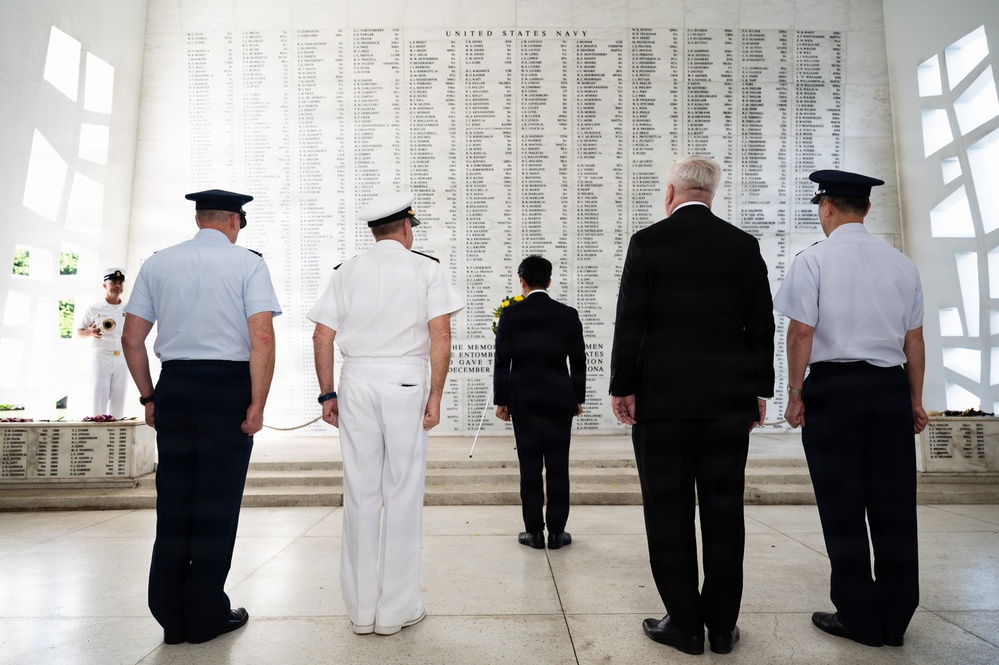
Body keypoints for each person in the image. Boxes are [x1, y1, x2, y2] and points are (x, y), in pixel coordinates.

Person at [609, 155, 775, 656]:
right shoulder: (744, 246)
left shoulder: (648, 243)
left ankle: (684, 623)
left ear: (670, 193)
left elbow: (630, 322)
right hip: (728, 402)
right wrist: (758, 392)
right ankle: (723, 626)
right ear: (712, 194)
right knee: (725, 511)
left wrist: (623, 386)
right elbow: (761, 324)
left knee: (668, 511)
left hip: (662, 403)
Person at [774, 169, 926, 648]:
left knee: (842, 505)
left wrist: (795, 393)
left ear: (827, 207)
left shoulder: (813, 260)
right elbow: (914, 340)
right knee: (896, 505)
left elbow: (801, 332)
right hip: (888, 389)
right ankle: (896, 616)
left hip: (835, 392)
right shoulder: (902, 264)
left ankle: (859, 614)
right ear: (867, 208)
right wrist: (915, 399)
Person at [121, 189, 280, 645]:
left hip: (175, 386)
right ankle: (207, 613)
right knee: (216, 504)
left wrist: (150, 396)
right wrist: (257, 403)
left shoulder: (158, 263)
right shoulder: (248, 264)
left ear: (198, 219)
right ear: (233, 221)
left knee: (174, 503)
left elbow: (132, 339)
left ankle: (171, 618)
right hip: (226, 391)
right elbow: (262, 339)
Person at [309, 192, 463, 637]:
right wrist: (435, 394)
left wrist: (327, 394)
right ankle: (396, 610)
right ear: (406, 229)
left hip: (355, 380)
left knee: (360, 491)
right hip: (406, 381)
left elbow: (321, 335)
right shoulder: (426, 269)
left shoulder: (347, 270)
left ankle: (360, 612)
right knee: (402, 490)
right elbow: (441, 335)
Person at [493, 255, 586, 550]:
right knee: (558, 467)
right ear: (549, 281)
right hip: (559, 400)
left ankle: (533, 532)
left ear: (522, 282)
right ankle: (558, 533)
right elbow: (579, 361)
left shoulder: (511, 315)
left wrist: (501, 400)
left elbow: (502, 362)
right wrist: (577, 397)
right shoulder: (568, 314)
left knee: (529, 467)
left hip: (524, 401)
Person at [76, 268, 128, 418]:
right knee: (98, 398)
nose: (118, 286)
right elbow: (80, 332)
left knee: (119, 399)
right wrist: (90, 333)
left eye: (120, 283)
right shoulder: (93, 308)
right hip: (101, 356)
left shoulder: (129, 309)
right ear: (105, 285)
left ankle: (116, 436)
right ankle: (96, 435)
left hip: (122, 357)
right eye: (114, 282)